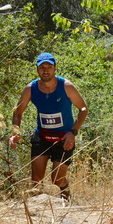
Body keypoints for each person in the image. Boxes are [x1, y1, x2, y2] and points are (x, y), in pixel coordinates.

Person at [9, 52, 87, 202]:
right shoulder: (30, 89)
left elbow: (83, 109)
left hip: (64, 138)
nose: (46, 70)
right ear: (37, 69)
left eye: (49, 67)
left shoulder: (67, 86)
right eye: (42, 67)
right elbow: (18, 112)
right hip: (42, 136)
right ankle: (38, 213)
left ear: (55, 68)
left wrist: (73, 132)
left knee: (57, 179)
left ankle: (66, 200)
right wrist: (15, 132)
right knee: (36, 181)